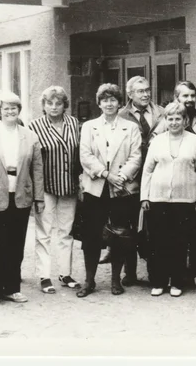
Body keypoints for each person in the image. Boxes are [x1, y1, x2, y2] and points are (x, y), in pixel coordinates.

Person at [0, 91, 45, 309]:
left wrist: (39, 197)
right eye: (6, 108)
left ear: (19, 110)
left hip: (21, 196)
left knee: (16, 245)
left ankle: (12, 288)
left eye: (14, 107)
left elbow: (37, 169)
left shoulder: (29, 136)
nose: (10, 111)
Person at [77, 83, 142, 298]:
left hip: (121, 189)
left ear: (119, 102)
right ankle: (89, 281)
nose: (109, 104)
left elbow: (136, 156)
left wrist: (121, 177)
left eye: (113, 99)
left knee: (120, 235)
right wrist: (106, 175)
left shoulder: (130, 127)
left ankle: (116, 280)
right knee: (91, 236)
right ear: (99, 103)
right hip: (96, 187)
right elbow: (85, 156)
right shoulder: (89, 126)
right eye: (105, 100)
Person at [140, 102, 196, 297]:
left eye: (178, 118)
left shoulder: (194, 141)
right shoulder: (157, 141)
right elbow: (147, 170)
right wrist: (145, 197)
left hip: (185, 200)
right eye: (170, 118)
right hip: (158, 198)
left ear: (185, 120)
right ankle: (159, 281)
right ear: (165, 120)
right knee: (159, 242)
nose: (174, 122)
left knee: (179, 242)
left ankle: (177, 282)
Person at [153, 81, 196, 287]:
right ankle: (172, 273)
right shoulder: (166, 121)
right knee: (173, 234)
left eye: (192, 95)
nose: (189, 99)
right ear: (177, 98)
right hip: (171, 183)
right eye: (185, 96)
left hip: (195, 179)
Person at [28, 86, 81, 294]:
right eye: (49, 103)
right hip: (46, 188)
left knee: (66, 232)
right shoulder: (35, 126)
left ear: (64, 105)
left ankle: (65, 273)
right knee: (44, 233)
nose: (54, 107)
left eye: (58, 103)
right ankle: (44, 276)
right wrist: (36, 193)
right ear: (43, 105)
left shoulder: (74, 123)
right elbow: (33, 161)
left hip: (69, 186)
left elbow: (78, 155)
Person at [112, 76, 165, 283]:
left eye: (147, 90)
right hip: (131, 178)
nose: (145, 94)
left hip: (155, 177)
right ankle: (130, 272)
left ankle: (154, 272)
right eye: (140, 91)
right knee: (128, 225)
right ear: (130, 94)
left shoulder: (161, 112)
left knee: (153, 226)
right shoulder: (122, 115)